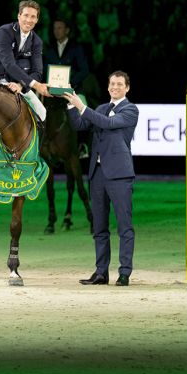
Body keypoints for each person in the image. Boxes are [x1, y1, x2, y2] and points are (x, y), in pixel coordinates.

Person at [63, 71, 139, 286]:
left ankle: (124, 272)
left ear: (127, 88)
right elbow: (79, 125)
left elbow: (108, 124)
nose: (115, 87)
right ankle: (101, 272)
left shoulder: (130, 109)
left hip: (120, 175)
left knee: (124, 226)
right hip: (97, 176)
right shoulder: (101, 108)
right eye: (112, 83)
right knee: (99, 227)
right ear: (107, 87)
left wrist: (82, 106)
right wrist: (71, 103)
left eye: (119, 84)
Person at [0, 0, 50, 118]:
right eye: (26, 15)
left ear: (37, 20)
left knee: (42, 113)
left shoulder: (37, 41)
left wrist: (20, 85)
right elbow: (9, 64)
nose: (29, 20)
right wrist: (36, 85)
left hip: (18, 83)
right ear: (19, 16)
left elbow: (37, 72)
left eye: (33, 17)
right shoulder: (3, 33)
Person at [43, 17, 96, 157]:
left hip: (73, 90)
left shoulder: (76, 48)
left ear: (67, 30)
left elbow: (84, 69)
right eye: (55, 28)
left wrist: (70, 82)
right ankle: (42, 144)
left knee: (84, 111)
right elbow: (44, 69)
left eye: (60, 28)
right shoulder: (49, 49)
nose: (56, 31)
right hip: (52, 90)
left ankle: (82, 146)